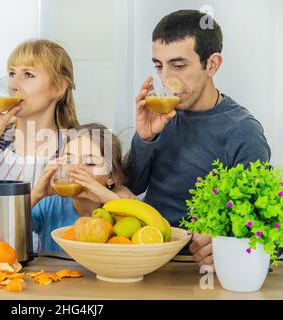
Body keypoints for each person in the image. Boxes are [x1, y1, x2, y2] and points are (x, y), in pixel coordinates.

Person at [123, 10, 271, 267]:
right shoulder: (162, 114)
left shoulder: (242, 131)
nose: (166, 79)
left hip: (198, 268)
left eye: (178, 66)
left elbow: (260, 225)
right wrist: (145, 137)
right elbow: (132, 185)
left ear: (211, 64)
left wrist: (227, 242)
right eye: (159, 66)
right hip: (148, 256)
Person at [0, 39, 80, 220]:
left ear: (58, 88)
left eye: (28, 75)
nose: (13, 85)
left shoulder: (79, 145)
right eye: (12, 73)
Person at [30, 123, 136, 253]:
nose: (75, 169)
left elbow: (147, 238)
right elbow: (6, 229)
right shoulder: (49, 204)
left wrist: (111, 200)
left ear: (111, 176)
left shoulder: (121, 209)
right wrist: (35, 195)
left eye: (90, 163)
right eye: (69, 160)